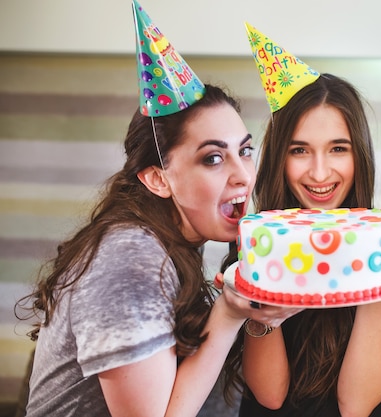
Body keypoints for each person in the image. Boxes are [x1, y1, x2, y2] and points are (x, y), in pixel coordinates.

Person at [14, 3, 301, 416]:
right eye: (213, 159)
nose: (244, 176)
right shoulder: (130, 256)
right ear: (158, 179)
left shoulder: (175, 244)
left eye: (245, 151)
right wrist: (228, 312)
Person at [220, 24, 381, 417]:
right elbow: (270, 394)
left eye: (337, 149)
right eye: (300, 150)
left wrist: (379, 265)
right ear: (280, 156)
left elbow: (357, 404)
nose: (319, 172)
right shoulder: (259, 241)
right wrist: (264, 311)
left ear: (359, 154)